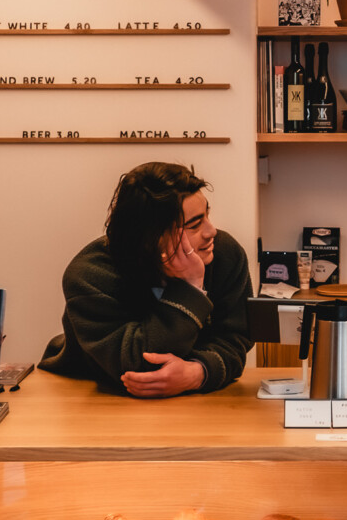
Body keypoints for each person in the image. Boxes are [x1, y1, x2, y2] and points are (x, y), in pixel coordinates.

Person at [40, 162, 252, 397]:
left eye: (207, 215)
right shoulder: (90, 274)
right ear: (150, 237)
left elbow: (236, 338)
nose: (211, 231)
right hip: (87, 393)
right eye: (194, 224)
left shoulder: (224, 254)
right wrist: (190, 287)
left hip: (199, 401)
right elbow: (137, 367)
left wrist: (197, 373)